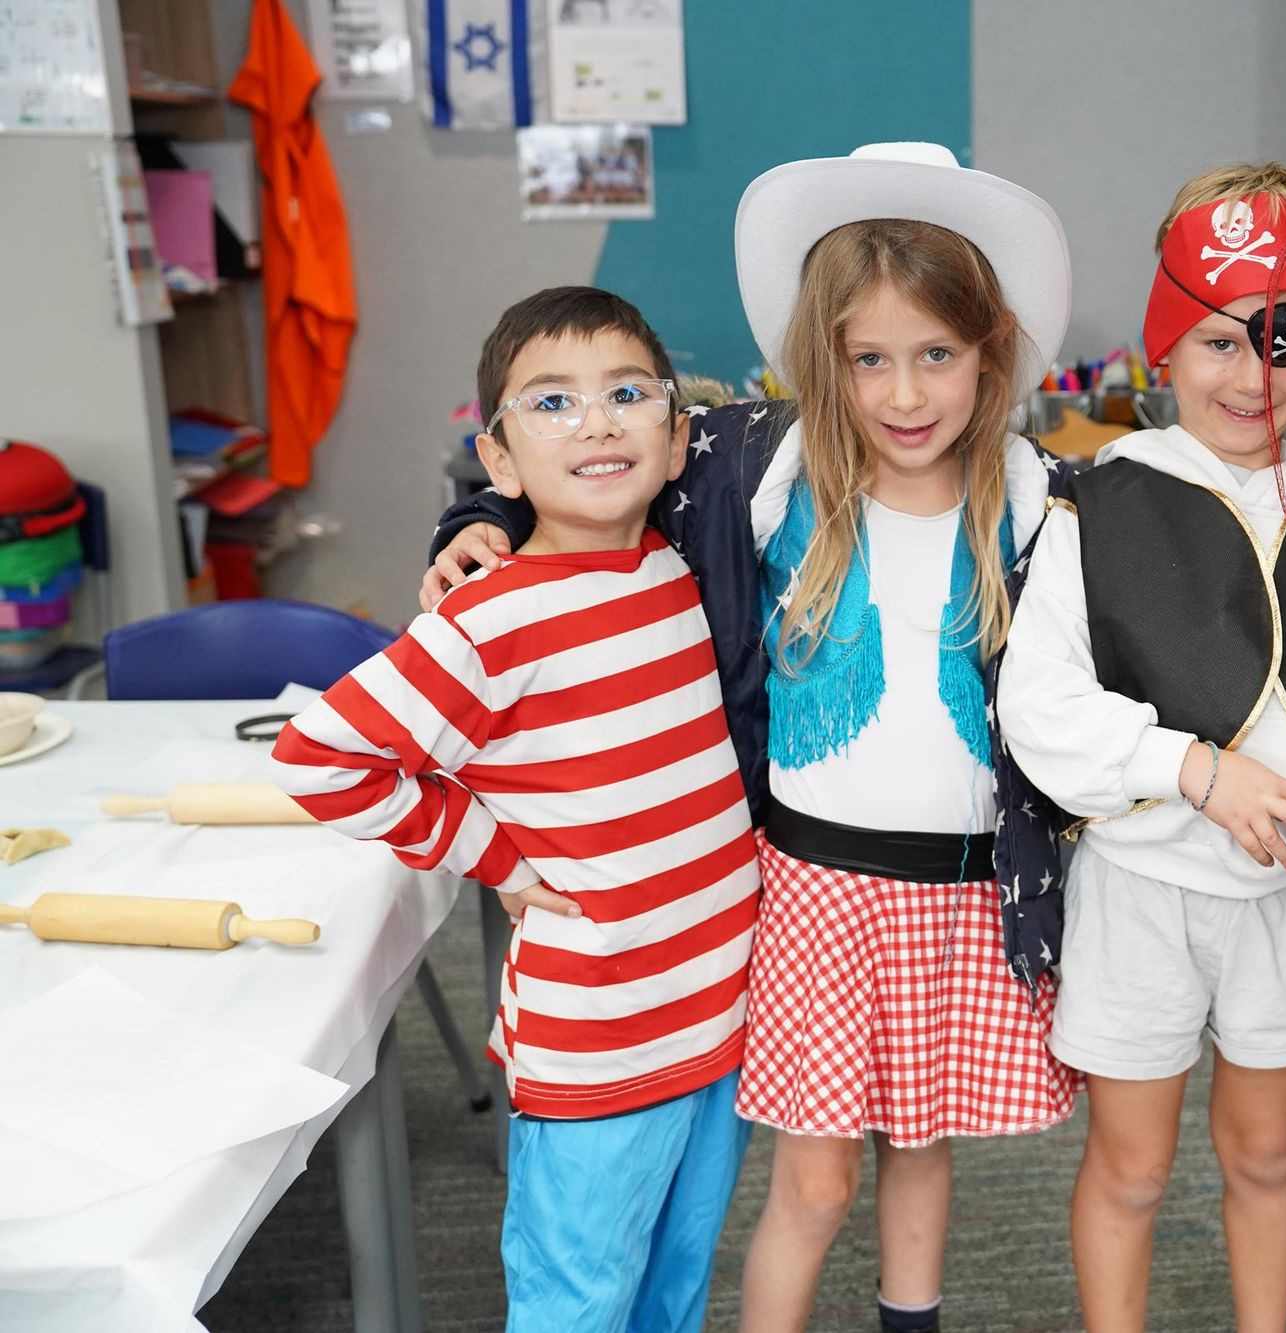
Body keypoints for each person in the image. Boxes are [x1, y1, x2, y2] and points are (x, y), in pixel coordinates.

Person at [420, 143, 1078, 1333]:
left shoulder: (1035, 492)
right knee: (812, 1180)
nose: (904, 394)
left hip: (967, 893)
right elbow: (591, 467)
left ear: (990, 353)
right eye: (867, 360)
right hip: (812, 886)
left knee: (923, 1156)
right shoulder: (754, 465)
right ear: (821, 361)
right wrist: (480, 515)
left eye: (936, 355)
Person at [275, 286, 758, 1333]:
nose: (595, 421)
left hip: (717, 1021)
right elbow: (320, 757)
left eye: (628, 394)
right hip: (596, 1043)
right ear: (497, 462)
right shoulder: (487, 619)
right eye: (551, 402)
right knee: (578, 1299)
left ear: (676, 440)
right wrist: (495, 853)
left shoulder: (678, 568)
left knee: (674, 1289)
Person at [995, 162, 1286, 1333]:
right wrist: (1199, 773)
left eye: (1283, 338)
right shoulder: (1102, 501)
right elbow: (1042, 705)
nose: (1250, 374)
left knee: (1265, 1153)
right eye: (1216, 341)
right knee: (1130, 1166)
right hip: (1142, 891)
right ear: (1163, 350)